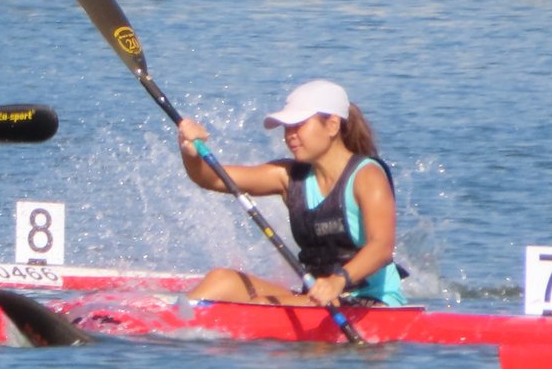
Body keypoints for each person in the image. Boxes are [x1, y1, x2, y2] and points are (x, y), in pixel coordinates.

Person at [174, 80, 406, 308]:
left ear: (332, 125)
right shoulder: (289, 176)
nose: (290, 135)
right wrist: (191, 151)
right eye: (287, 128)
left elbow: (382, 247)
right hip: (317, 299)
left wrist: (338, 281)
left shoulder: (367, 176)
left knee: (264, 305)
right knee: (222, 280)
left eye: (299, 125)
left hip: (370, 302)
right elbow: (210, 177)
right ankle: (176, 323)